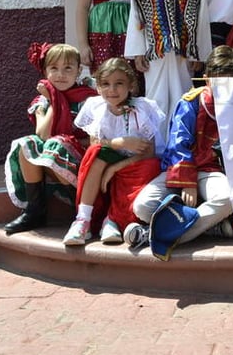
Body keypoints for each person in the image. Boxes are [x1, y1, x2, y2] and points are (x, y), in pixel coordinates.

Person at [124, 46, 233, 248]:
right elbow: (178, 144)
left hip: (213, 172)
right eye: (218, 81)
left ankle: (152, 235)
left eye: (230, 81)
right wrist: (187, 182)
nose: (224, 87)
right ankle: (206, 227)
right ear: (206, 78)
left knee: (228, 198)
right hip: (181, 171)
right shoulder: (191, 101)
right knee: (143, 207)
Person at [62, 58, 165, 245]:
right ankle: (83, 220)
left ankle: (112, 221)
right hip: (110, 157)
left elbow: (148, 152)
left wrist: (115, 168)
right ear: (98, 88)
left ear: (131, 86)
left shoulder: (141, 109)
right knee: (96, 152)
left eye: (119, 84)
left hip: (134, 163)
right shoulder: (97, 107)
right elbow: (96, 144)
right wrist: (120, 142)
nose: (112, 90)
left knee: (150, 166)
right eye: (106, 84)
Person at [4, 43, 97, 235]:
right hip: (53, 164)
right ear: (45, 72)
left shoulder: (89, 100)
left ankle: (81, 209)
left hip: (84, 164)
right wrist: (55, 102)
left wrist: (70, 144)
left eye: (68, 68)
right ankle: (35, 211)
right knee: (27, 143)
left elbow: (96, 139)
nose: (60, 74)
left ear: (78, 71)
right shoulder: (43, 101)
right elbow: (43, 135)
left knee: (59, 144)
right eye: (54, 68)